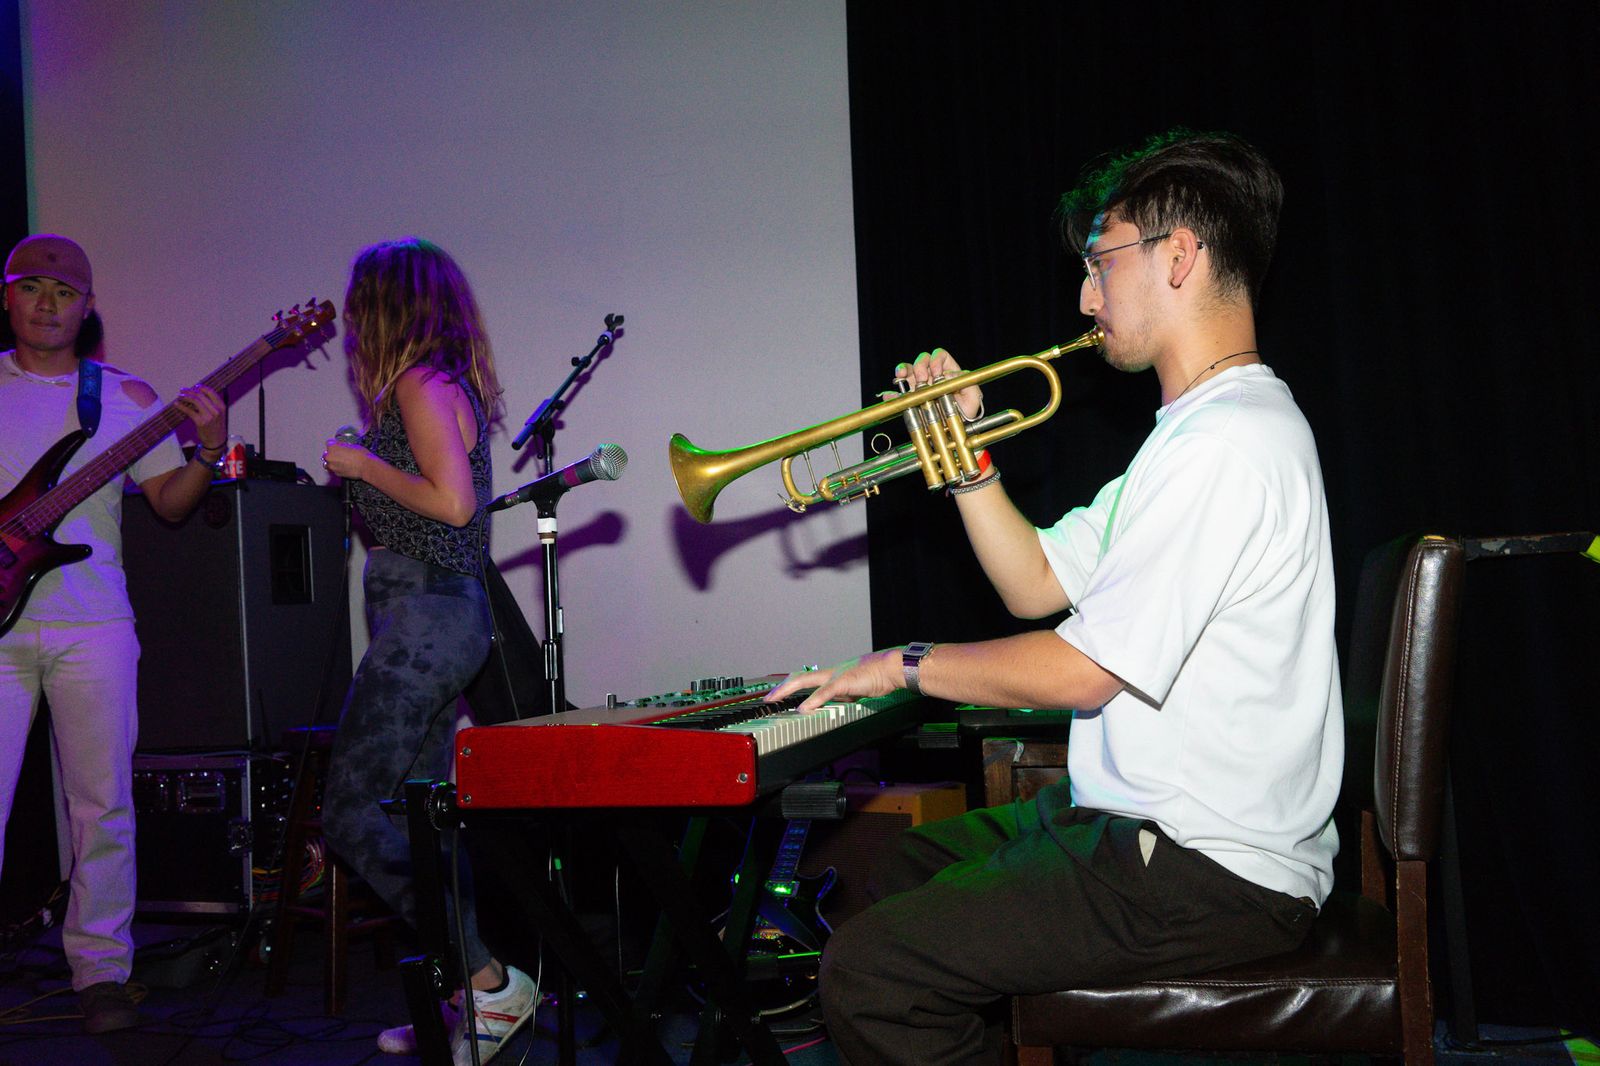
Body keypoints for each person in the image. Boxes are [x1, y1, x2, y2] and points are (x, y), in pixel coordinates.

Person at [767, 130, 1343, 1065]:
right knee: (898, 866)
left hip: (1206, 867)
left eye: (1100, 262)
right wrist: (962, 454)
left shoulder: (1228, 446)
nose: (1085, 297)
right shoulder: (1188, 439)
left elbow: (1083, 673)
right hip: (1145, 829)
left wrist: (900, 666)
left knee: (872, 977)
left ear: (1179, 255)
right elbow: (1034, 583)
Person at [0, 234, 227, 1033]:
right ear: (8, 296)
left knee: (103, 804)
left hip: (93, 622)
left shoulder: (127, 398)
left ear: (88, 308)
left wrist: (207, 449)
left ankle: (101, 972)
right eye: (33, 287)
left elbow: (170, 503)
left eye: (65, 293)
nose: (48, 304)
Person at [319, 237, 536, 1065]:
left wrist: (362, 465)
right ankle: (467, 1001)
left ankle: (485, 980)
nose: (350, 324)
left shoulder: (419, 382)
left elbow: (453, 505)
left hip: (427, 620)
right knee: (422, 819)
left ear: (384, 305)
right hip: (432, 620)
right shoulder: (437, 384)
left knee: (352, 811)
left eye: (357, 306)